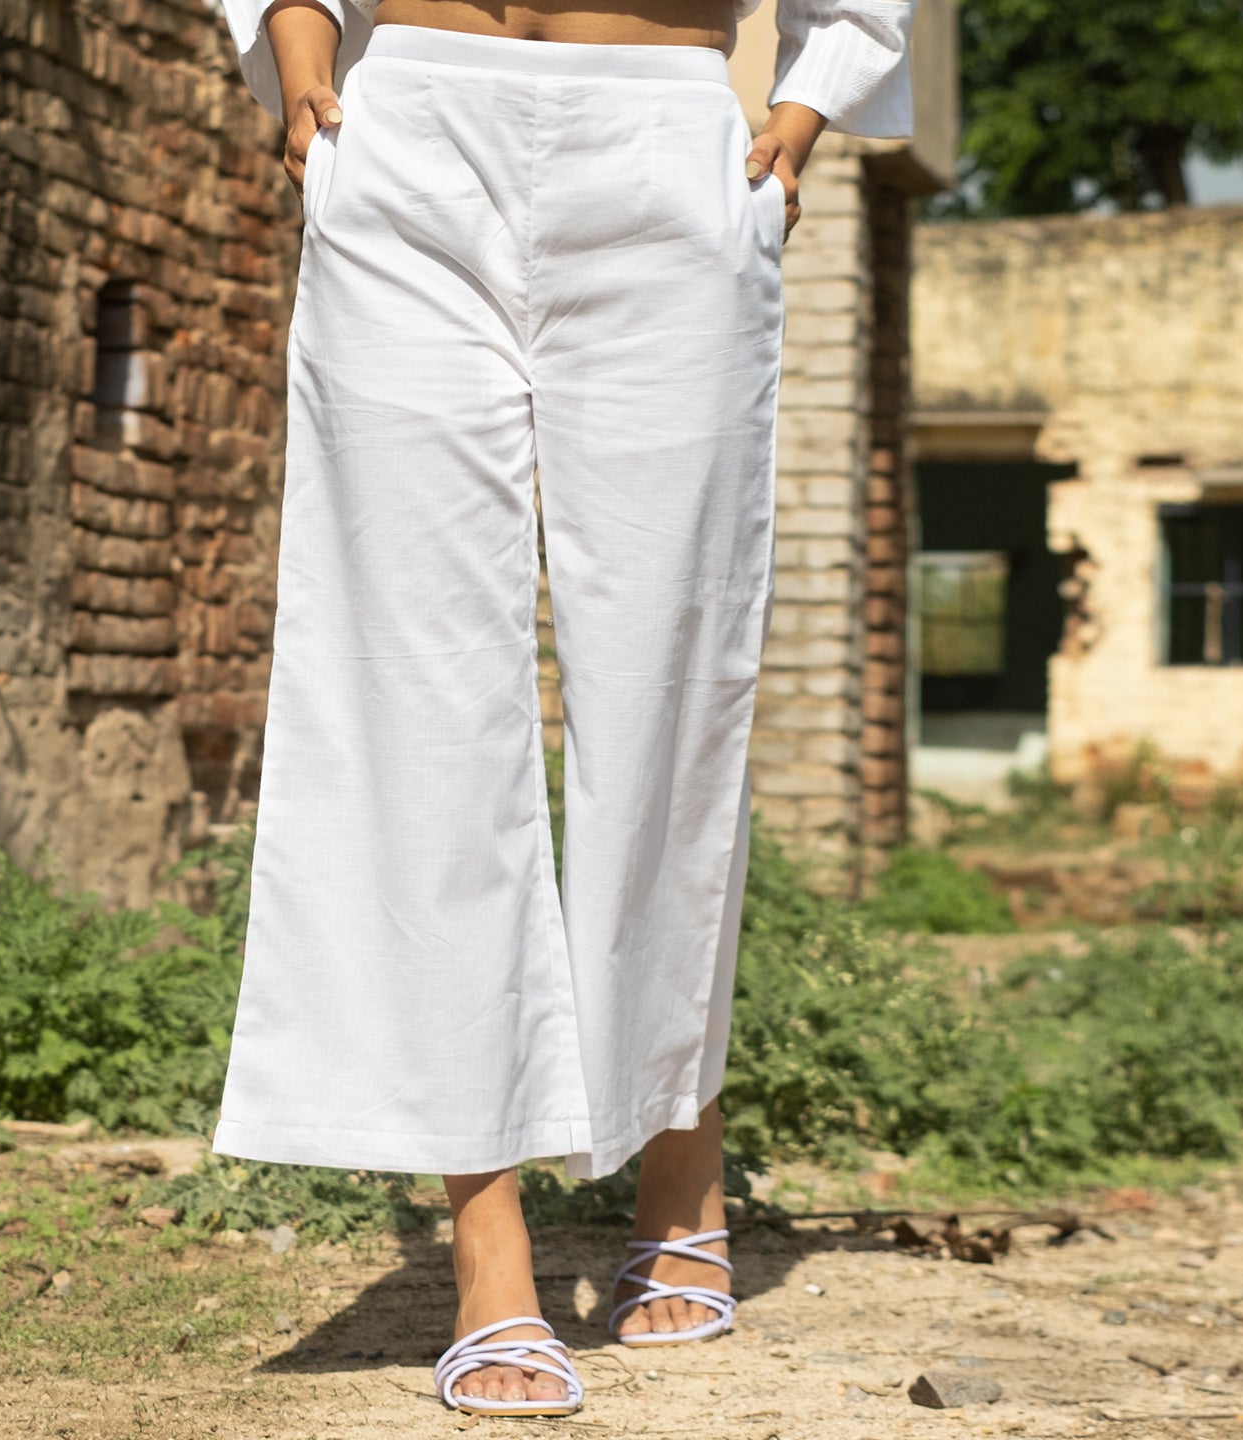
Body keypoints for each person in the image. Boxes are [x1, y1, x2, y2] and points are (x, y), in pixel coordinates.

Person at [213, 0, 915, 1417]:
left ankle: (679, 1154)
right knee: (408, 687)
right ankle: (489, 1248)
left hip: (664, 133)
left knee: (664, 685)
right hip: (407, 125)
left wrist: (810, 100)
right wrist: (296, 63)